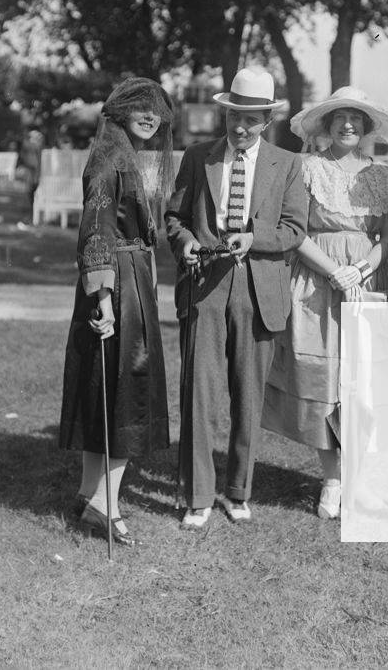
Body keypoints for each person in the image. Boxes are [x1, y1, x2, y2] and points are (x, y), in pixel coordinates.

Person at [165, 67, 308, 528]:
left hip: (258, 290)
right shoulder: (197, 157)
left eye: (251, 119)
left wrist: (255, 239)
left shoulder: (287, 165)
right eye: (233, 118)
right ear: (224, 114)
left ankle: (237, 491)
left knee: (248, 397)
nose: (240, 128)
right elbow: (174, 217)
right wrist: (184, 241)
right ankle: (199, 496)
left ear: (267, 119)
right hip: (204, 288)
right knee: (199, 394)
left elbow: (294, 230)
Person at [261, 86, 388, 519]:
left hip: (363, 283)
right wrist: (332, 270)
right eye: (340, 118)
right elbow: (295, 230)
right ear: (326, 125)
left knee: (361, 379)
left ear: (365, 128)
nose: (347, 125)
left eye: (355, 120)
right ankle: (331, 480)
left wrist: (361, 269)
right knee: (324, 376)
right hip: (318, 282)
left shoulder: (381, 175)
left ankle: (357, 481)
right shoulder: (306, 168)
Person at [58, 77, 175, 547]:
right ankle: (105, 505)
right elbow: (96, 228)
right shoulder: (111, 157)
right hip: (118, 286)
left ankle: (89, 493)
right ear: (119, 109)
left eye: (158, 110)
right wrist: (104, 300)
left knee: (100, 386)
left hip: (121, 279)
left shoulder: (115, 149)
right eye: (140, 107)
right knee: (128, 389)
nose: (151, 116)